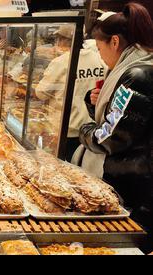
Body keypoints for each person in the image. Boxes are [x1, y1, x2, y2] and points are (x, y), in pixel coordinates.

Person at [73, 3, 153, 253]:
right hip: (132, 180)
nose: (100, 55)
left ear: (115, 42)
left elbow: (111, 137)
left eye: (99, 48)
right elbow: (121, 119)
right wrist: (93, 102)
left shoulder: (136, 76)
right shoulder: (135, 68)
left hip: (132, 187)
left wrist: (84, 131)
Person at [35, 25, 107, 161]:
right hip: (90, 129)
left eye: (58, 39)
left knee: (59, 167)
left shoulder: (61, 62)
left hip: (64, 128)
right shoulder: (99, 59)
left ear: (64, 41)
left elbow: (41, 93)